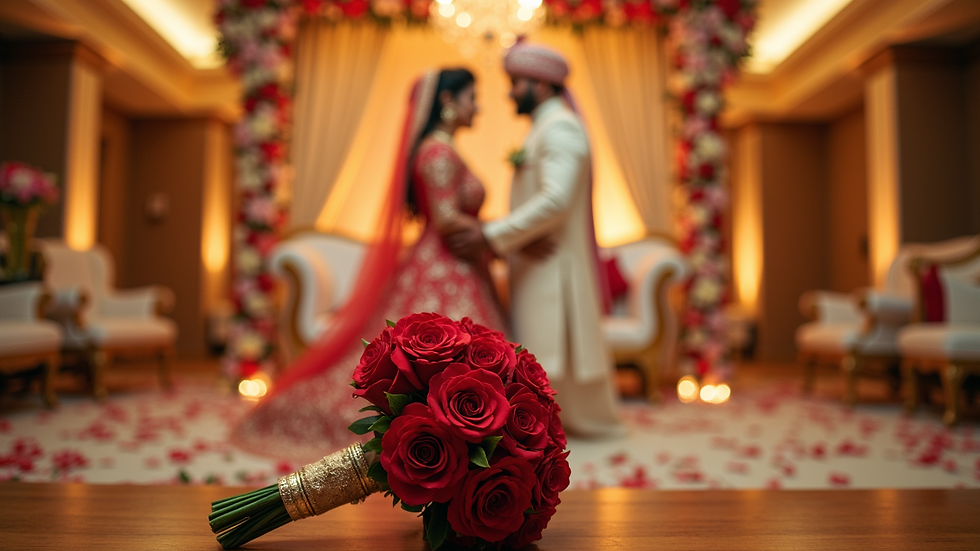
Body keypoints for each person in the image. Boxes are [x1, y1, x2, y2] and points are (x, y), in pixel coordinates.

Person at [233, 69, 506, 462]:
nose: (477, 108)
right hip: (446, 264)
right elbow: (446, 218)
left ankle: (461, 426)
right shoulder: (438, 152)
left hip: (454, 261)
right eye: (470, 98)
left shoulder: (440, 148)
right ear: (447, 101)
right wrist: (498, 236)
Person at [447, 42, 625, 439]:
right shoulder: (546, 128)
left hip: (552, 267)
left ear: (541, 86)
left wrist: (491, 235)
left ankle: (552, 433)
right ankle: (545, 431)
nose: (509, 93)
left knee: (549, 358)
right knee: (541, 358)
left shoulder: (559, 127)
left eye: (515, 83)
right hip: (536, 261)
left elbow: (556, 200)